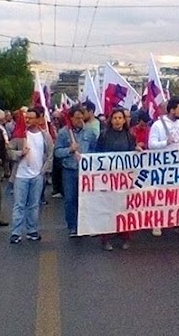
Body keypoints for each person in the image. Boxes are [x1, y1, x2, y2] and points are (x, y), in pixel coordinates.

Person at [148, 96, 179, 236]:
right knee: (160, 195)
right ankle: (157, 223)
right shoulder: (158, 125)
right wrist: (165, 143)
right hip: (162, 167)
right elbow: (151, 144)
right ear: (172, 110)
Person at [9, 107, 53, 244]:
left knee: (34, 205)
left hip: (37, 176)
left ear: (39, 119)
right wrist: (19, 153)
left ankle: (32, 230)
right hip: (21, 176)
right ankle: (16, 232)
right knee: (19, 205)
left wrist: (43, 171)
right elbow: (8, 151)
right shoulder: (20, 136)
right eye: (26, 118)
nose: (27, 120)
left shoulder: (45, 136)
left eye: (31, 118)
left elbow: (51, 154)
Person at [95, 107, 137, 250]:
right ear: (110, 120)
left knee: (124, 207)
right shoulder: (104, 135)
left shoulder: (129, 136)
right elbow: (97, 155)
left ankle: (125, 236)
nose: (117, 121)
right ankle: (106, 238)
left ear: (124, 120)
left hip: (124, 178)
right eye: (115, 118)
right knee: (108, 207)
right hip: (108, 178)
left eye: (120, 118)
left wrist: (137, 151)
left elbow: (132, 155)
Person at [54, 105, 97, 236]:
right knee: (70, 199)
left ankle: (86, 225)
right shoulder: (63, 132)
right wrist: (69, 150)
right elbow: (57, 152)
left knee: (86, 199)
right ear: (71, 118)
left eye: (81, 117)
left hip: (85, 171)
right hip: (69, 170)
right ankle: (73, 226)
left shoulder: (89, 132)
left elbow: (95, 149)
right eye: (76, 117)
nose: (79, 120)